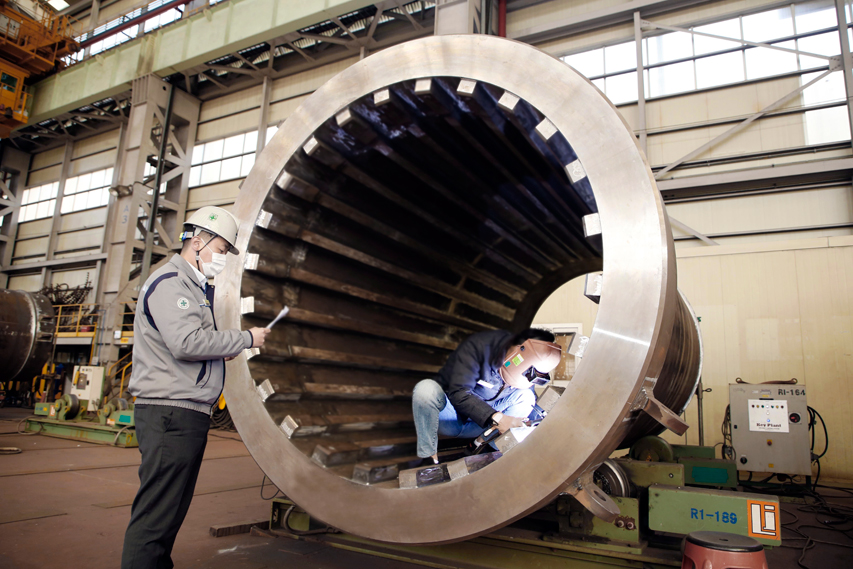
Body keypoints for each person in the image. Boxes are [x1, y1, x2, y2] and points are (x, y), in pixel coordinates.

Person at [121, 206, 271, 569]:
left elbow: (194, 344)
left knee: (170, 510)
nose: (222, 259)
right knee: (157, 514)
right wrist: (246, 338)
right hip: (170, 413)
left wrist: (220, 355)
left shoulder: (194, 287)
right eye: (221, 250)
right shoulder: (172, 283)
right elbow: (186, 343)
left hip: (185, 413)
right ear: (198, 241)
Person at [412, 328, 562, 463]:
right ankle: (426, 452)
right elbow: (457, 391)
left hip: (484, 427)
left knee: (527, 397)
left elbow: (527, 407)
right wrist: (496, 417)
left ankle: (493, 450)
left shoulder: (525, 380)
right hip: (452, 420)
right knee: (426, 389)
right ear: (519, 350)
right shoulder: (479, 352)